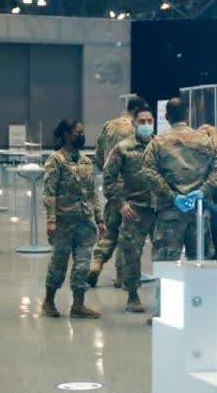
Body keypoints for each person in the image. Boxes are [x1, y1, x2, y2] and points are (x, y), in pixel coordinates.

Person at [141, 98, 217, 262]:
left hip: (169, 213)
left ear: (167, 117)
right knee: (201, 265)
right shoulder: (205, 140)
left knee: (166, 267)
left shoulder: (157, 143)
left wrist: (172, 196)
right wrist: (202, 191)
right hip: (199, 212)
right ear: (187, 115)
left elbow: (148, 172)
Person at [42, 119, 106, 319]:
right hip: (64, 222)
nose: (81, 136)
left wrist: (100, 219)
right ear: (66, 134)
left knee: (83, 266)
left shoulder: (86, 161)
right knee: (58, 264)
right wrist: (51, 220)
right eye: (77, 132)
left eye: (82, 132)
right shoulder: (56, 160)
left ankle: (78, 306)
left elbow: (92, 193)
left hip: (85, 222)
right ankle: (48, 301)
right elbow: (49, 192)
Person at [99, 106, 156, 312]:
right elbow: (108, 179)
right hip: (135, 209)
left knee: (166, 255)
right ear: (133, 123)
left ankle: (165, 297)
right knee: (131, 254)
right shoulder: (123, 148)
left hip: (159, 209)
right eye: (142, 121)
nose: (146, 125)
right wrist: (121, 204)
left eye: (150, 121)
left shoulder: (160, 146)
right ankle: (133, 296)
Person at [89, 95, 148, 288]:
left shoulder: (109, 125)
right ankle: (121, 275)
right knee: (127, 233)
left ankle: (97, 263)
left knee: (110, 229)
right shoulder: (137, 128)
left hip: (113, 186)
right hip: (132, 189)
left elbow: (99, 156)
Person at [197, 124, 217, 260]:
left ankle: (214, 258)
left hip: (214, 198)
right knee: (198, 230)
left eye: (207, 135)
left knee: (213, 231)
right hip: (199, 197)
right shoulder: (194, 153)